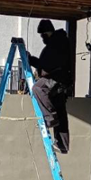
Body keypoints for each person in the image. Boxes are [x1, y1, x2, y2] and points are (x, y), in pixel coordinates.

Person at [28, 19, 72, 155]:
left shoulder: (55, 44)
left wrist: (31, 60)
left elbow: (46, 67)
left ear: (47, 33)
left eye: (42, 36)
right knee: (60, 112)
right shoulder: (61, 41)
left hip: (57, 78)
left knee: (37, 88)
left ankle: (49, 118)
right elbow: (45, 64)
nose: (42, 38)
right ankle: (62, 145)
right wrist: (35, 62)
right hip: (64, 80)